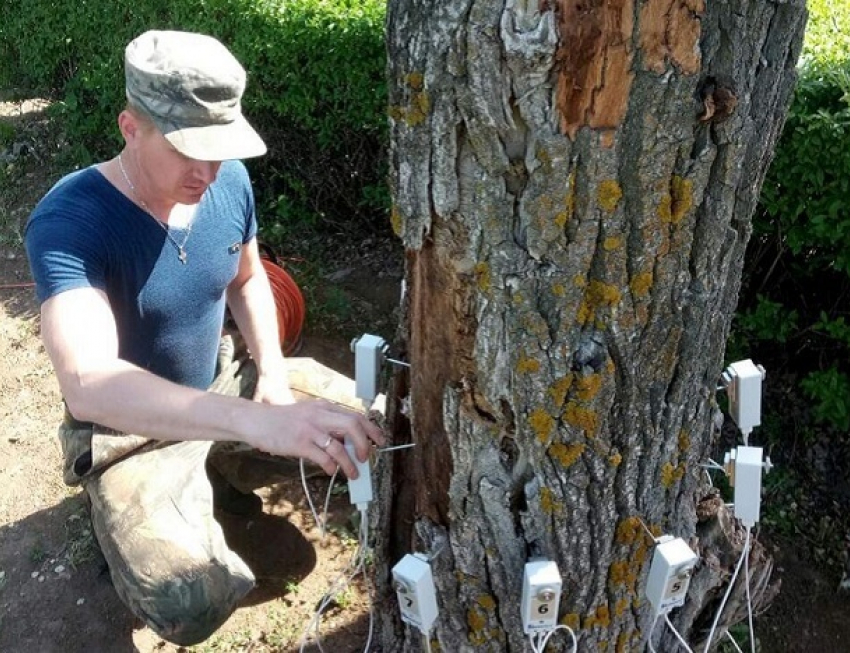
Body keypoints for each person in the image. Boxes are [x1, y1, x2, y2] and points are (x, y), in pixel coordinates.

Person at [24, 30, 384, 646]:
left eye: (219, 148)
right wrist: (254, 424)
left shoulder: (228, 182)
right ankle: (137, 503)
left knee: (374, 421)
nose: (207, 171)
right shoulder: (70, 220)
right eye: (188, 149)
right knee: (189, 601)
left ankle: (224, 471)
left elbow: (247, 281)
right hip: (130, 434)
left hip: (226, 379)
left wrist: (270, 375)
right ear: (130, 126)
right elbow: (87, 383)